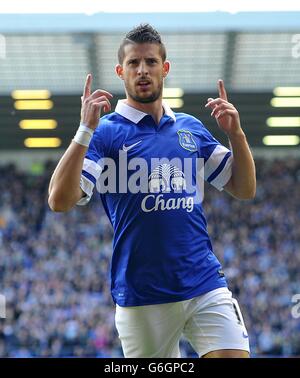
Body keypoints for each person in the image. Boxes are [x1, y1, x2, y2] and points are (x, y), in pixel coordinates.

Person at [48, 24, 256, 358]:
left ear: (165, 67)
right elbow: (59, 201)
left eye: (150, 62)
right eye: (133, 63)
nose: (142, 70)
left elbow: (244, 189)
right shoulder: (104, 134)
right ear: (120, 72)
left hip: (204, 282)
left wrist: (237, 135)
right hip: (142, 295)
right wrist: (85, 129)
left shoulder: (190, 128)